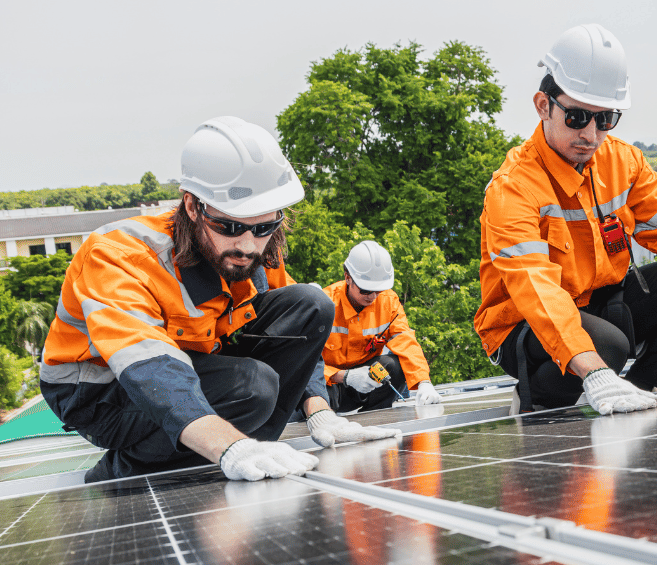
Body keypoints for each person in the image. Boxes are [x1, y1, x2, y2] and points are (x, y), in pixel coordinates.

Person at [40, 116, 397, 484]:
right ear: (193, 206)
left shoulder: (256, 251)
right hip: (99, 388)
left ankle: (256, 448)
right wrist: (227, 447)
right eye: (228, 226)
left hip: (191, 359)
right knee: (252, 388)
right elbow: (148, 364)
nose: (246, 245)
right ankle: (129, 470)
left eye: (262, 228)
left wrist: (320, 411)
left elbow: (298, 331)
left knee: (311, 304)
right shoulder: (120, 255)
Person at [474, 24, 657, 415]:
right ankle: (542, 404)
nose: (592, 135)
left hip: (601, 301)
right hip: (523, 323)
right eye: (577, 116)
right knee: (606, 346)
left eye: (606, 119)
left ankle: (643, 392)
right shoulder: (513, 188)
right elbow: (535, 289)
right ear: (543, 105)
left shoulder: (623, 161)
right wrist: (594, 371)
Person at [321, 241, 442, 412]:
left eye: (378, 290)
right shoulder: (324, 305)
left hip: (367, 384)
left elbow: (405, 341)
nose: (372, 297)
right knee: (308, 387)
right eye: (365, 290)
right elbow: (306, 363)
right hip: (328, 387)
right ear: (348, 278)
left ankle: (374, 415)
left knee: (394, 366)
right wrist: (344, 376)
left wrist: (424, 382)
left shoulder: (388, 302)